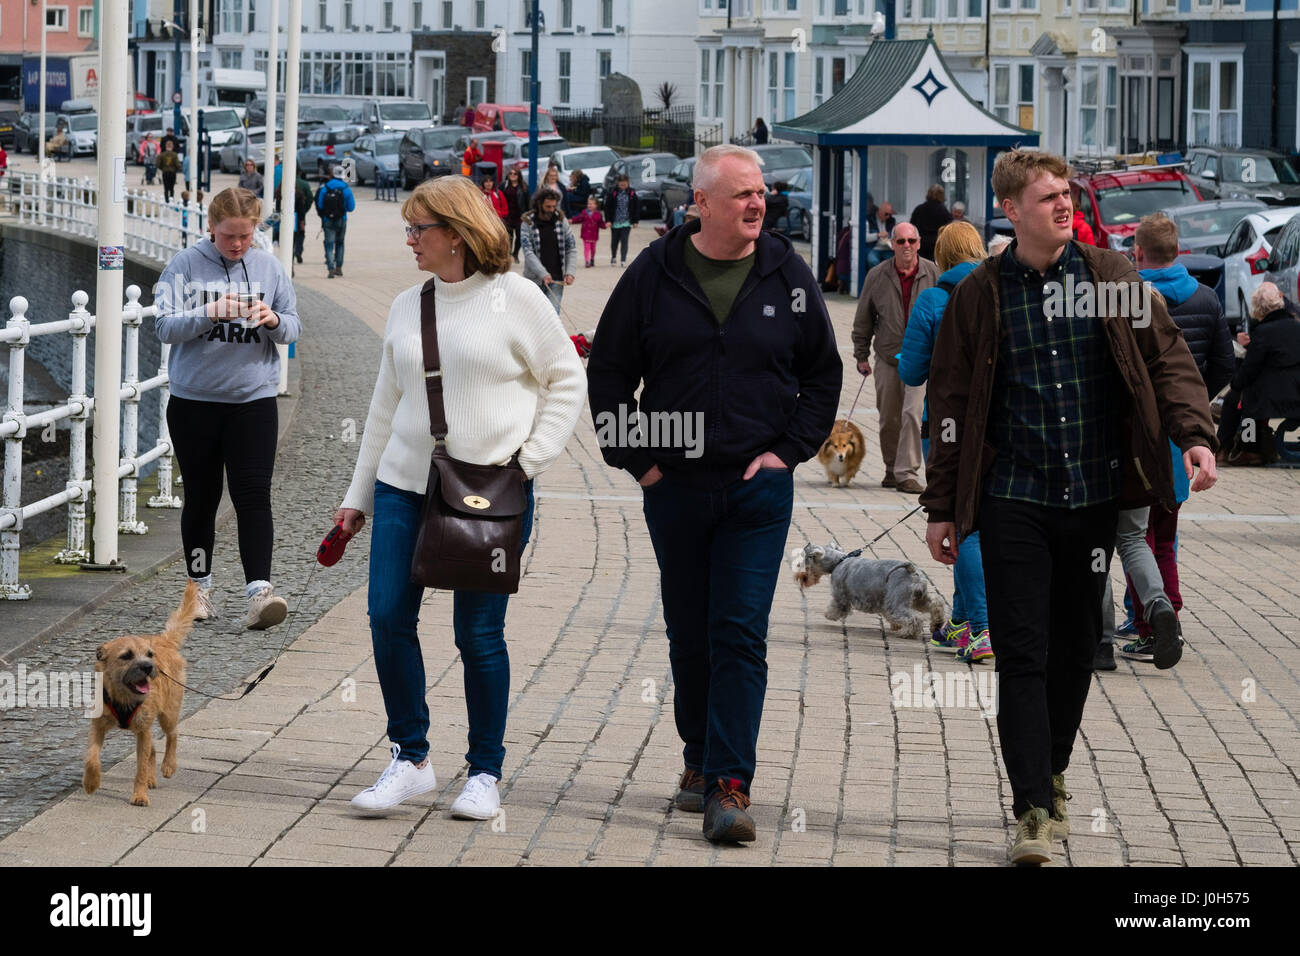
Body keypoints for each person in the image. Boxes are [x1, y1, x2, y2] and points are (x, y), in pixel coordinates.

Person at [921, 149, 1217, 865]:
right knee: (1021, 652)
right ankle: (1030, 808)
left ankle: (1052, 771)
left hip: (1093, 501)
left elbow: (1167, 360)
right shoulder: (982, 295)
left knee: (1076, 650)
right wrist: (941, 505)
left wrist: (1195, 437)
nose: (1063, 205)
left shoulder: (1109, 278)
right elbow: (953, 404)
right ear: (1013, 210)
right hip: (1013, 499)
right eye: (1048, 196)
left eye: (1067, 194)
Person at [587, 144, 841, 844]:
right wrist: (638, 462)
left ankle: (730, 784)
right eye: (741, 194)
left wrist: (786, 453)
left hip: (756, 494)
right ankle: (698, 758)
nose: (758, 203)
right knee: (690, 634)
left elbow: (823, 373)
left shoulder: (787, 272)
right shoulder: (654, 273)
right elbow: (608, 374)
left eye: (761, 192)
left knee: (739, 633)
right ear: (699, 203)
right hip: (675, 489)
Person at [335, 175, 585, 818]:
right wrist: (356, 497)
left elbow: (567, 380)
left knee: (478, 634)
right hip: (402, 487)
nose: (410, 239)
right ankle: (411, 758)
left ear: (459, 232)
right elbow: (384, 406)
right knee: (387, 616)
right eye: (409, 229)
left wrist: (528, 463)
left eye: (421, 228)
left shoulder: (520, 298)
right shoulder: (405, 305)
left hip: (488, 494)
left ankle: (485, 772)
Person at [152, 187, 302, 629]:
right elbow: (162, 326)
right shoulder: (184, 265)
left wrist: (273, 321)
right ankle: (198, 590)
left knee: (253, 494)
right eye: (228, 236)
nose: (237, 245)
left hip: (252, 401)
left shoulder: (270, 268)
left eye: (246, 236)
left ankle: (260, 593)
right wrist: (210, 312)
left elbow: (293, 326)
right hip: (195, 402)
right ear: (210, 228)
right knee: (201, 497)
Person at [1102, 212, 1236, 668]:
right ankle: (1162, 613)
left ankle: (1109, 633)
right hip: (1181, 438)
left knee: (1106, 540)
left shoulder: (1119, 297)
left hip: (1131, 436)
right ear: (1178, 250)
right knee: (1158, 539)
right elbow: (1221, 366)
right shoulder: (1206, 299)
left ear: (1138, 251)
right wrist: (1194, 415)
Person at [897, 221, 992, 664]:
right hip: (1000, 427)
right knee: (985, 521)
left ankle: (983, 628)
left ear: (941, 257)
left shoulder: (933, 300)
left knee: (962, 522)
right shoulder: (999, 294)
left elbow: (911, 373)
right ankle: (958, 619)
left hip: (949, 429)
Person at [853, 221, 937, 494]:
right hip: (888, 358)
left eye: (911, 241)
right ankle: (891, 468)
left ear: (919, 243)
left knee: (913, 414)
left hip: (920, 360)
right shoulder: (877, 275)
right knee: (889, 418)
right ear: (892, 244)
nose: (907, 247)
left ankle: (907, 473)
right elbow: (863, 318)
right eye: (901, 241)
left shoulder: (933, 273)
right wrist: (861, 354)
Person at [1217, 281, 1300, 464]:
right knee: (1248, 395)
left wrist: (1235, 384)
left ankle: (1243, 448)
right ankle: (1242, 447)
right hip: (1296, 393)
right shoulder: (1296, 326)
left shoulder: (1264, 331)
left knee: (1238, 399)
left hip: (1278, 398)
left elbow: (1249, 370)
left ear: (1258, 308)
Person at [520, 187, 577, 314]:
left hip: (556, 278)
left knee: (553, 315)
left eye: (553, 206)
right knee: (535, 315)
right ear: (539, 204)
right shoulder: (527, 223)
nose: (551, 210)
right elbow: (528, 252)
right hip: (534, 279)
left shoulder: (562, 220)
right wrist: (543, 273)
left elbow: (571, 248)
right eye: (548, 207)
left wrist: (570, 272)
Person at [315, 166, 356, 278]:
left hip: (327, 220)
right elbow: (351, 207)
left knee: (329, 245)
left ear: (332, 174)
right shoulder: (346, 189)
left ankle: (330, 269)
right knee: (340, 243)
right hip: (341, 220)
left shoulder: (325, 188)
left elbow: (320, 205)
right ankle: (339, 267)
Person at [603, 172, 639, 267]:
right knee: (614, 241)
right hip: (615, 221)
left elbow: (636, 208)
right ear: (618, 183)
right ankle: (614, 257)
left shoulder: (632, 193)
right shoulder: (613, 193)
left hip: (626, 222)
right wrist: (608, 220)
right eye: (621, 184)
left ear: (628, 183)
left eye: (625, 184)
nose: (623, 186)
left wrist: (635, 221)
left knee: (624, 240)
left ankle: (623, 259)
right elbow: (607, 208)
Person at [910, 184, 953, 262]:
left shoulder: (919, 209)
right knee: (934, 269)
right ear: (942, 195)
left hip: (921, 244)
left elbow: (912, 226)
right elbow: (949, 228)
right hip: (936, 245)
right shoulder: (943, 211)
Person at [569, 194, 608, 268]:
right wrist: (572, 220)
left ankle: (592, 259)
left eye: (591, 204)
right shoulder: (584, 212)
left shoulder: (598, 214)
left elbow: (601, 223)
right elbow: (579, 218)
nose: (589, 205)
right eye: (588, 203)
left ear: (596, 205)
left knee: (593, 249)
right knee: (586, 248)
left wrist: (605, 226)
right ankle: (587, 261)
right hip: (585, 234)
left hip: (594, 235)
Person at [501, 167, 528, 261]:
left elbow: (528, 201)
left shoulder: (524, 186)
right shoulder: (504, 185)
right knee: (509, 237)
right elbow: (499, 197)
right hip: (507, 215)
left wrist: (527, 214)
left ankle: (515, 254)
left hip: (519, 215)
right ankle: (508, 255)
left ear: (518, 175)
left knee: (520, 236)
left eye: (515, 174)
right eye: (511, 173)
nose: (512, 175)